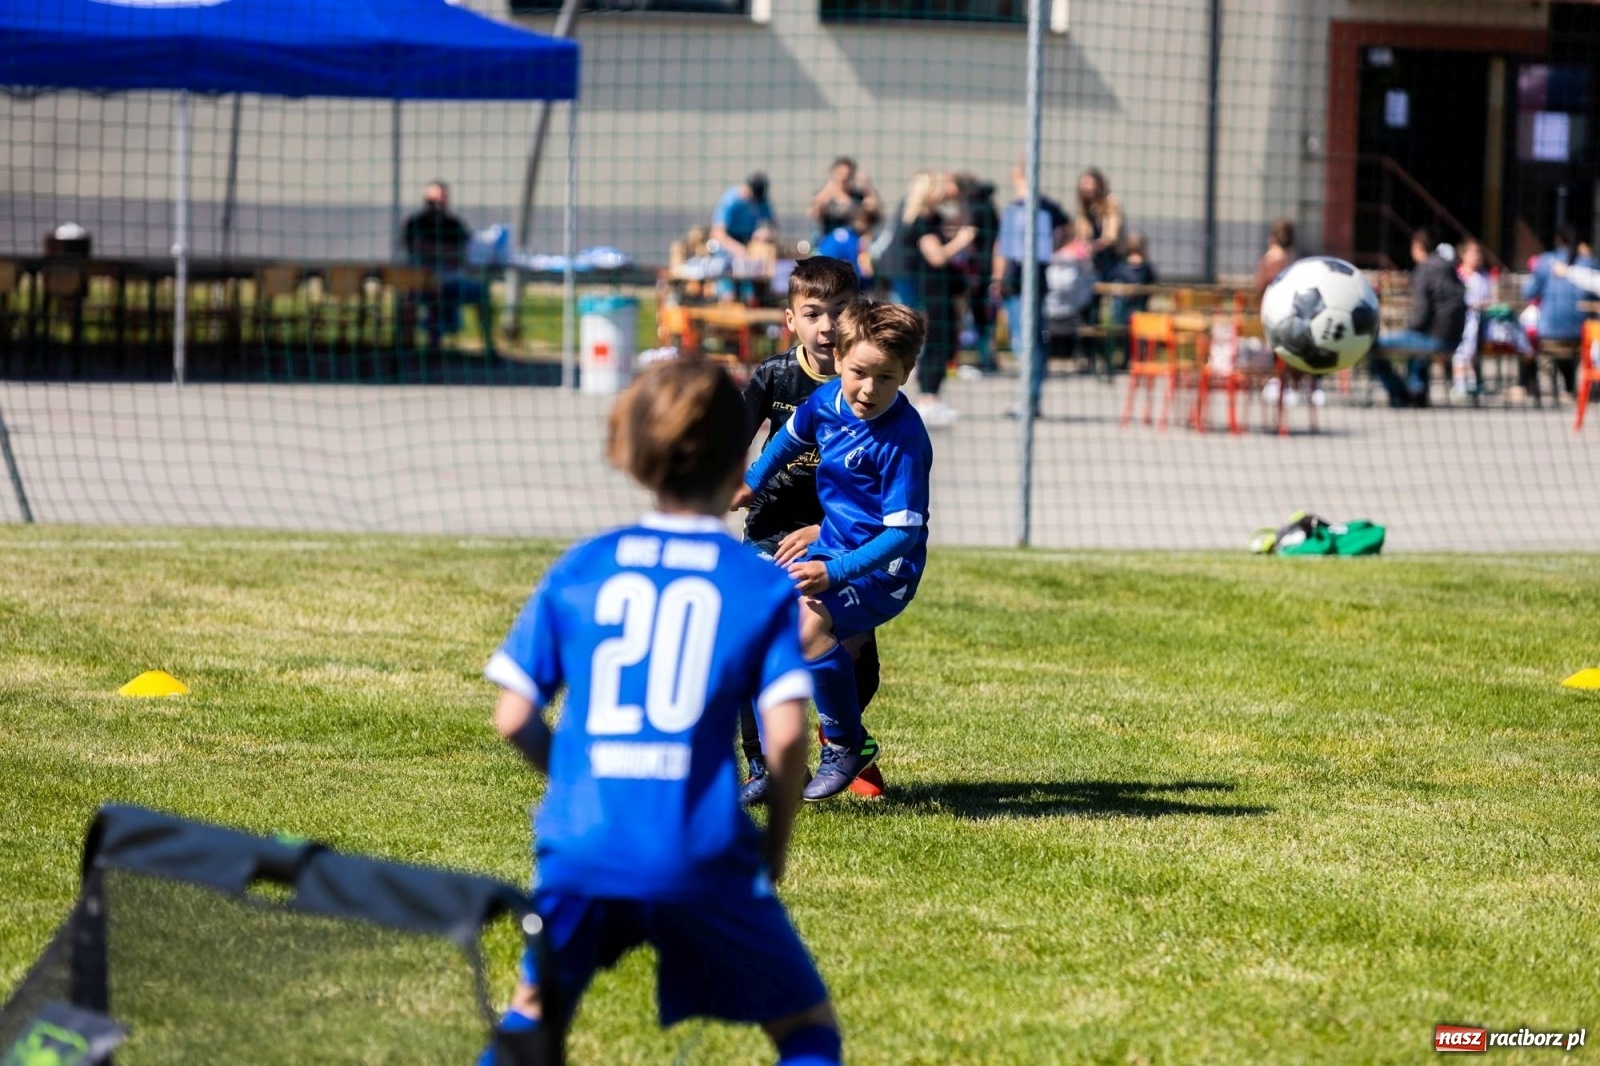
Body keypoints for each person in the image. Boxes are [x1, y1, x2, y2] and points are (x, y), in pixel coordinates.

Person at [481, 360, 841, 1066]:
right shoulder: (757, 585)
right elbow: (790, 733)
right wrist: (774, 846)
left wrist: (581, 780)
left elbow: (512, 715)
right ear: (740, 456)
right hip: (701, 848)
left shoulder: (583, 566)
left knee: (534, 1012)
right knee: (805, 1029)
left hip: (584, 844)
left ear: (633, 452)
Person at [733, 299, 933, 801]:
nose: (869, 388)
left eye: (886, 377)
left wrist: (836, 571)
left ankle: (847, 746)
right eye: (860, 372)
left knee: (809, 620)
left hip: (884, 566)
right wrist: (752, 483)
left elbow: (903, 534)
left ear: (906, 374)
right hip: (835, 548)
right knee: (757, 623)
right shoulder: (827, 403)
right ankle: (777, 765)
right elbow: (789, 438)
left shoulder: (904, 440)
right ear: (839, 359)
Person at [736, 256, 885, 803]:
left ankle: (842, 741)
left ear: (858, 317)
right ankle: (768, 767)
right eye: (813, 313)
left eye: (839, 312)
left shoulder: (873, 386)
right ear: (791, 320)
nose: (826, 326)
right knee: (752, 642)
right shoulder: (772, 378)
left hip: (846, 536)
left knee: (851, 650)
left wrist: (825, 528)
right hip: (771, 528)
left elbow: (882, 484)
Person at [889, 170, 975, 427]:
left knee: (944, 341)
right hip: (932, 288)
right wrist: (960, 241)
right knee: (937, 342)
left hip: (941, 287)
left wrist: (958, 199)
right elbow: (936, 255)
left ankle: (932, 396)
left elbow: (962, 220)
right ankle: (928, 398)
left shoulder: (933, 216)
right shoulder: (921, 221)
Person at [990, 161, 1071, 418]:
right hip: (1022, 283)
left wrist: (997, 278)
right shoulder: (1025, 208)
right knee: (1027, 340)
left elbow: (1001, 248)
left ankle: (1029, 400)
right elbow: (1002, 247)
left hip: (1027, 283)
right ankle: (1029, 399)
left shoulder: (1037, 207)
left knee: (1027, 341)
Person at [1370, 228, 1466, 408]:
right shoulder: (1449, 268)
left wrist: (1409, 327)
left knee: (1371, 346)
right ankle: (1418, 389)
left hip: (1435, 339)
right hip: (1454, 338)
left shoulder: (1424, 271)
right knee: (1415, 341)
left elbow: (1420, 316)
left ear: (1418, 247)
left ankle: (1401, 393)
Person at [402, 181, 497, 358]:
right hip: (421, 281)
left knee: (481, 292)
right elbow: (414, 246)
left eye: (441, 200)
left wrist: (436, 250)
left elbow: (462, 254)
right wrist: (444, 252)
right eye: (433, 200)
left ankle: (489, 346)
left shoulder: (454, 224)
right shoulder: (416, 222)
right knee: (412, 297)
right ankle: (411, 347)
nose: (437, 205)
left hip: (450, 281)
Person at [1522, 224, 1594, 401]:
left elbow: (1528, 292)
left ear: (1558, 240)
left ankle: (1528, 386)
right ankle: (1569, 388)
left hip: (1550, 333)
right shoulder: (1590, 263)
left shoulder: (1545, 261)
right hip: (1581, 335)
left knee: (1524, 337)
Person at [953, 173, 1000, 375]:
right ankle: (988, 356)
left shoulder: (974, 207)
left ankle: (986, 357)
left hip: (978, 270)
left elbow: (970, 239)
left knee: (979, 314)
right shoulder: (989, 207)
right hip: (987, 267)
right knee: (985, 316)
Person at [1452, 239, 1492, 400]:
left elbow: (1490, 298)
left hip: (1481, 319)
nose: (1477, 256)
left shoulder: (1484, 276)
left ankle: (1472, 380)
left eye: (1479, 252)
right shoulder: (1458, 275)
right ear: (1463, 255)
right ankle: (1460, 382)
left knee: (1472, 348)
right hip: (1462, 319)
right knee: (1463, 348)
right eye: (1473, 252)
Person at [1073, 167, 1124, 284]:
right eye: (1083, 184)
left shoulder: (1110, 203)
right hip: (1091, 261)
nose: (1085, 188)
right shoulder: (1085, 209)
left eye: (1089, 183)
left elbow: (1111, 237)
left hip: (1111, 258)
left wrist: (1094, 246)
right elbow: (1080, 235)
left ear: (1099, 185)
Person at [711, 172, 778, 259]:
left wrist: (768, 232)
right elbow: (717, 233)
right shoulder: (731, 200)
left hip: (749, 240)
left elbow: (774, 226)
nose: (755, 202)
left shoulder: (762, 202)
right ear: (747, 189)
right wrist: (738, 250)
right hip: (728, 244)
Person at [807, 157, 881, 236]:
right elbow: (813, 213)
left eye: (847, 175)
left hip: (853, 239)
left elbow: (873, 212)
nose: (843, 178)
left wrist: (867, 186)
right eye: (840, 174)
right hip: (830, 238)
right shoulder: (825, 196)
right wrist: (826, 191)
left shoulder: (857, 196)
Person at [1253, 219, 1297, 301]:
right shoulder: (1288, 257)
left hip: (1271, 299)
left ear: (1273, 238)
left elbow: (1260, 283)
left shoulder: (1272, 256)